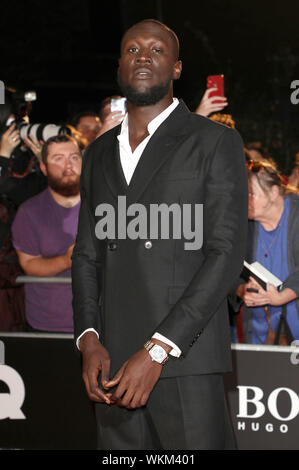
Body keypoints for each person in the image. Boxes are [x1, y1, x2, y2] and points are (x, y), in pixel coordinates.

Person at [72, 19, 248, 450]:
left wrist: (157, 350)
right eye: (132, 50)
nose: (143, 56)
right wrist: (88, 338)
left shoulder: (214, 141)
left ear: (177, 67)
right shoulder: (96, 153)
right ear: (119, 66)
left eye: (155, 49)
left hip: (184, 359)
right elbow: (86, 256)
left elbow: (225, 255)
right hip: (111, 363)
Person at [12, 135, 82, 332]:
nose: (68, 165)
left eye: (74, 157)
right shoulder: (29, 212)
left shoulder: (106, 206)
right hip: (49, 324)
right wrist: (67, 260)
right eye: (58, 158)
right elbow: (29, 264)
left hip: (101, 324)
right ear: (44, 168)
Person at [233, 159, 299, 344]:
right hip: (258, 331)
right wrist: (241, 289)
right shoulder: (243, 225)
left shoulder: (296, 214)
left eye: (251, 194)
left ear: (274, 192)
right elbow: (227, 269)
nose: (245, 200)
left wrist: (280, 297)